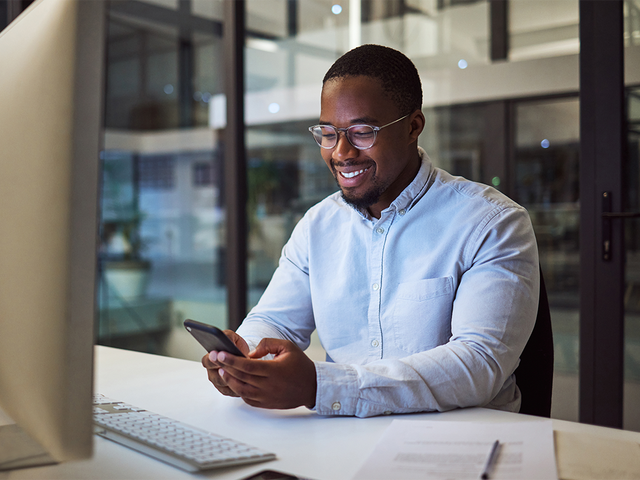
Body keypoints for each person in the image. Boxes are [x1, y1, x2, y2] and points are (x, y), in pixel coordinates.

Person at [202, 44, 539, 418]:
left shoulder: (492, 223)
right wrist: (242, 359)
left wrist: (320, 386)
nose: (341, 152)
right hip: (342, 436)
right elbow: (276, 321)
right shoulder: (317, 226)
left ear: (413, 127)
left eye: (362, 131)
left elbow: (478, 365)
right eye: (328, 133)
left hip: (456, 442)